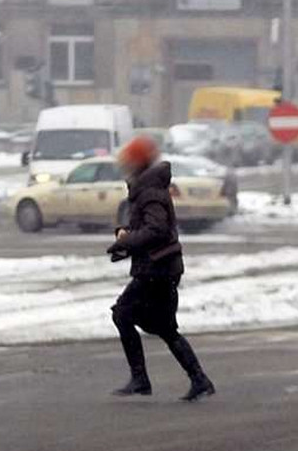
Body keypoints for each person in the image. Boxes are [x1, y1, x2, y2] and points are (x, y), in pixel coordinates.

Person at [105, 135, 215, 402]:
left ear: (138, 163)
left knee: (122, 314)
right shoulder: (147, 188)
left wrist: (127, 240)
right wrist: (127, 235)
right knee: (164, 328)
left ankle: (141, 379)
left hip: (157, 270)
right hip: (159, 268)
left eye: (128, 161)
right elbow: (149, 228)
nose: (125, 167)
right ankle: (198, 380)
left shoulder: (150, 191)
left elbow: (156, 229)